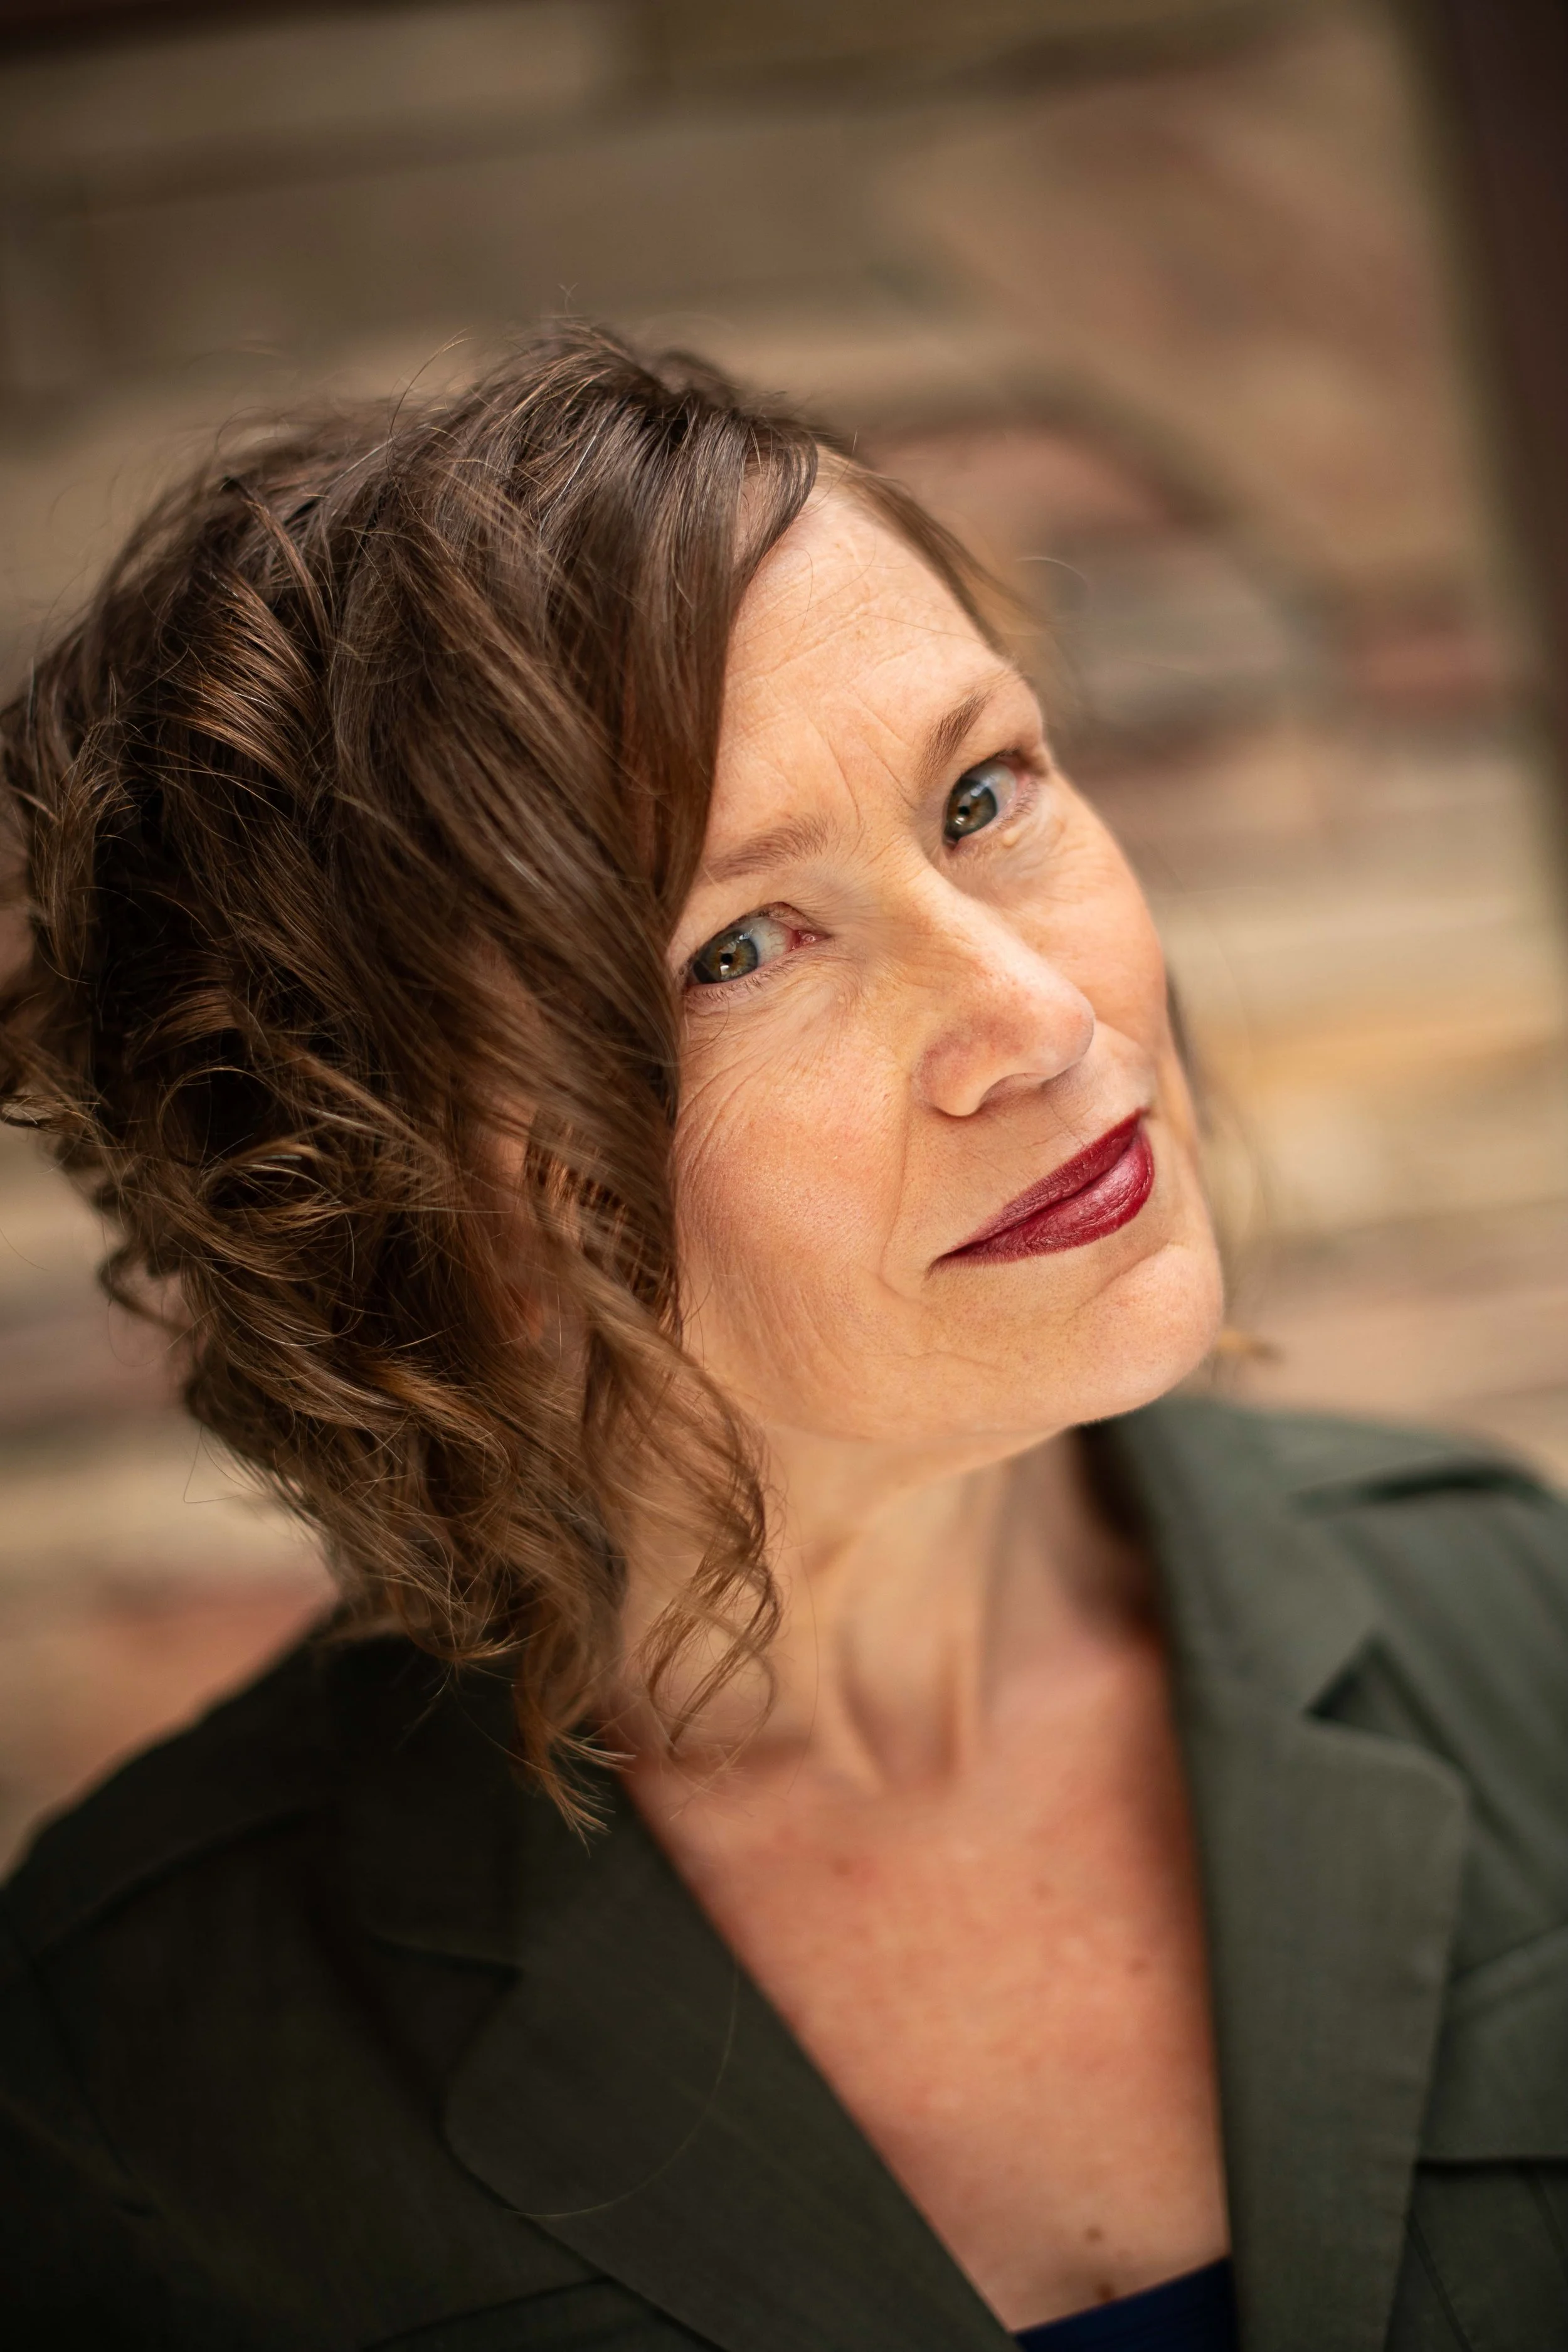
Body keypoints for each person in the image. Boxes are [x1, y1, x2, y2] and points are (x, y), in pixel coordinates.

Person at [0, 328, 1563, 2352]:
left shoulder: (1508, 1608)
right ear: (405, 1190)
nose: (1039, 1020)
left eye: (983, 793)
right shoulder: (128, 2078)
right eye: (740, 948)